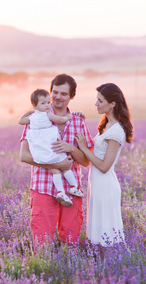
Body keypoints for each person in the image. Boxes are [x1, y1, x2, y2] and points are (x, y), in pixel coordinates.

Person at [20, 74, 94, 245]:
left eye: (64, 94)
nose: (58, 97)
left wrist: (70, 148)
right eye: (55, 92)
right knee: (42, 242)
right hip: (42, 186)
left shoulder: (78, 122)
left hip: (71, 189)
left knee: (71, 241)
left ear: (71, 96)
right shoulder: (36, 118)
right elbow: (24, 155)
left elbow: (85, 161)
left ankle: (68, 271)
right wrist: (56, 165)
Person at [75, 83, 133, 246]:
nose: (96, 104)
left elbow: (104, 166)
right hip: (97, 184)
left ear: (113, 104)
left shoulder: (116, 132)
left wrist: (84, 149)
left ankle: (111, 266)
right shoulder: (106, 126)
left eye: (100, 101)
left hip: (106, 186)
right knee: (98, 232)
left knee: (106, 234)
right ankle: (100, 266)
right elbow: (96, 150)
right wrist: (79, 121)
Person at [19, 89, 84, 207]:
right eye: (43, 103)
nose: (48, 105)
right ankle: (74, 187)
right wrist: (69, 117)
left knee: (55, 170)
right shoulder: (48, 114)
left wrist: (28, 113)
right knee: (64, 166)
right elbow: (60, 119)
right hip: (50, 146)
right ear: (35, 105)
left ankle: (60, 192)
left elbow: (21, 121)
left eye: (48, 102)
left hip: (40, 150)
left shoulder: (32, 118)